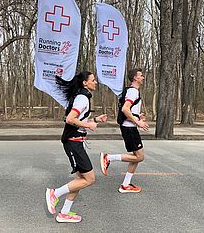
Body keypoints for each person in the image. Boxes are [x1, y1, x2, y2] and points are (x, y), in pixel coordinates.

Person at [45, 71, 107, 223]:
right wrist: (89, 125)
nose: (96, 82)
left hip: (76, 141)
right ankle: (54, 194)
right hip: (73, 142)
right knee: (90, 178)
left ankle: (64, 213)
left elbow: (79, 118)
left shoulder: (83, 97)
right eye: (93, 80)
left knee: (81, 178)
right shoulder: (82, 98)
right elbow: (70, 119)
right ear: (85, 83)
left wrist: (94, 119)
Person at [99, 68, 149, 193]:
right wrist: (138, 122)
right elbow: (125, 109)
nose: (143, 77)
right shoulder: (133, 92)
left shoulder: (132, 91)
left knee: (136, 156)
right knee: (140, 157)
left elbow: (130, 109)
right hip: (129, 128)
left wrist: (138, 116)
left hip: (129, 126)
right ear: (135, 78)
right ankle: (109, 158)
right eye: (141, 75)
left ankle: (126, 184)